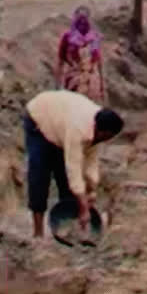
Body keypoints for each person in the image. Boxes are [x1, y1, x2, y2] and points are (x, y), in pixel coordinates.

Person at [25, 90, 123, 238]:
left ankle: (68, 227)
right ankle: (37, 233)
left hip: (61, 124)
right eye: (108, 137)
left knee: (66, 183)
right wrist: (84, 207)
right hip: (40, 119)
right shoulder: (78, 129)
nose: (108, 140)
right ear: (102, 131)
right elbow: (74, 168)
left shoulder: (98, 126)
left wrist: (91, 189)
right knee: (40, 175)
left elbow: (91, 161)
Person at [56, 6, 106, 103]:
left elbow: (99, 62)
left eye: (85, 18)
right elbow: (60, 62)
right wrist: (57, 86)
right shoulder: (67, 37)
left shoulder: (94, 38)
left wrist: (102, 87)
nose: (82, 22)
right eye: (79, 18)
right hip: (73, 81)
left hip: (91, 83)